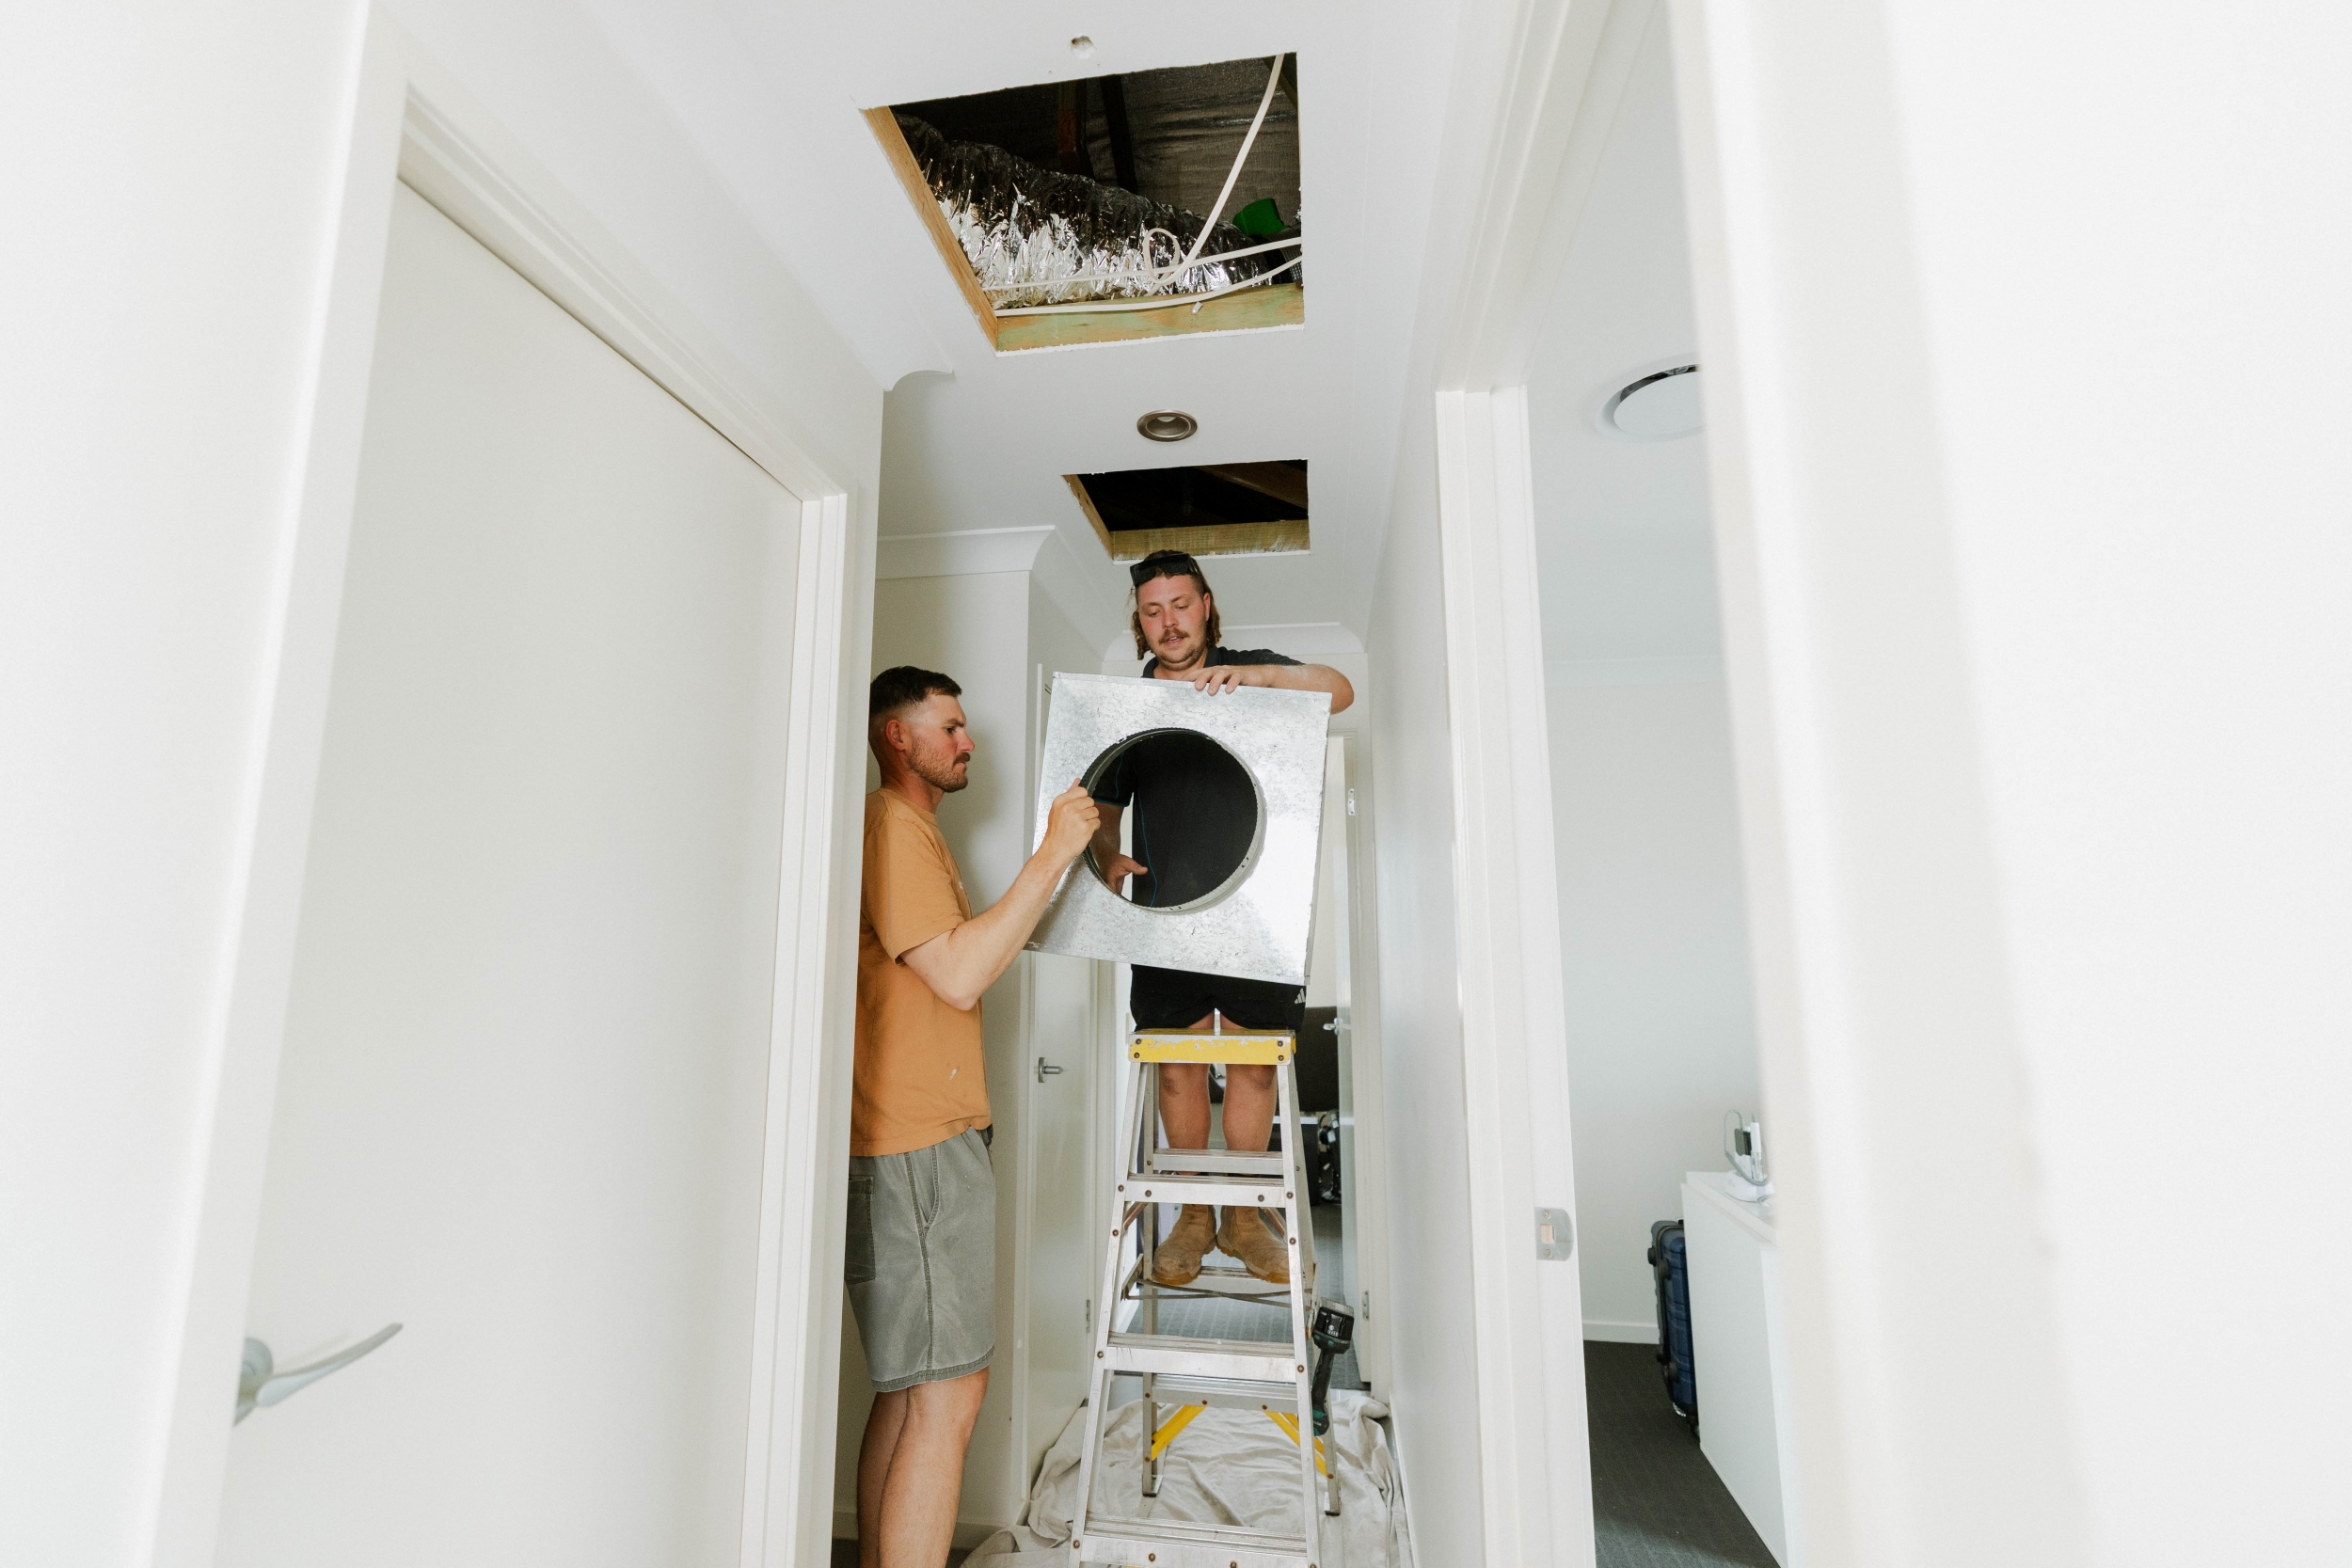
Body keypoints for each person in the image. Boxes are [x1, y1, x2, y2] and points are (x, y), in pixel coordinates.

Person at [850, 665, 1099, 1568]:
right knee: (950, 1394)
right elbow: (958, 974)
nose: (968, 741)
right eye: (949, 727)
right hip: (916, 1148)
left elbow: (968, 953)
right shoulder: (892, 825)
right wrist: (1051, 851)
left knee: (912, 1389)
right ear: (898, 737)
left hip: (925, 1142)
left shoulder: (913, 830)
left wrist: (1079, 867)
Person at [1087, 550, 1354, 1287]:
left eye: (1181, 604)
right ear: (1139, 622)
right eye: (1153, 611)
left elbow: (1340, 690)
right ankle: (1193, 1218)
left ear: (1206, 604)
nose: (1169, 622)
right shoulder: (1130, 706)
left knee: (1252, 1066)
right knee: (1176, 1072)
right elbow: (1103, 808)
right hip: (1165, 916)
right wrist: (1107, 854)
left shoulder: (1251, 672)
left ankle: (1241, 1218)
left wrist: (1260, 678)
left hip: (1257, 914)